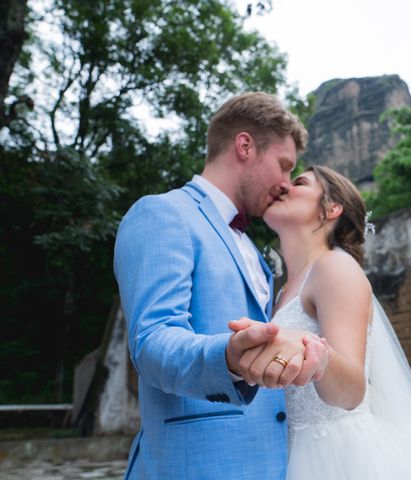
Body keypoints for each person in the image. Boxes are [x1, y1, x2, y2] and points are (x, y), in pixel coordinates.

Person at [114, 92, 330, 479]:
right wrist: (229, 357)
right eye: (283, 166)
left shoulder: (253, 249)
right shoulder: (162, 213)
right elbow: (152, 342)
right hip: (194, 466)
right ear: (245, 146)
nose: (285, 184)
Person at [230, 165, 411, 479]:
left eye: (300, 182)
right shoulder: (280, 291)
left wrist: (316, 356)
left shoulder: (334, 267)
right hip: (283, 454)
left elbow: (352, 389)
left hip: (337, 458)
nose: (283, 187)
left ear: (332, 208)